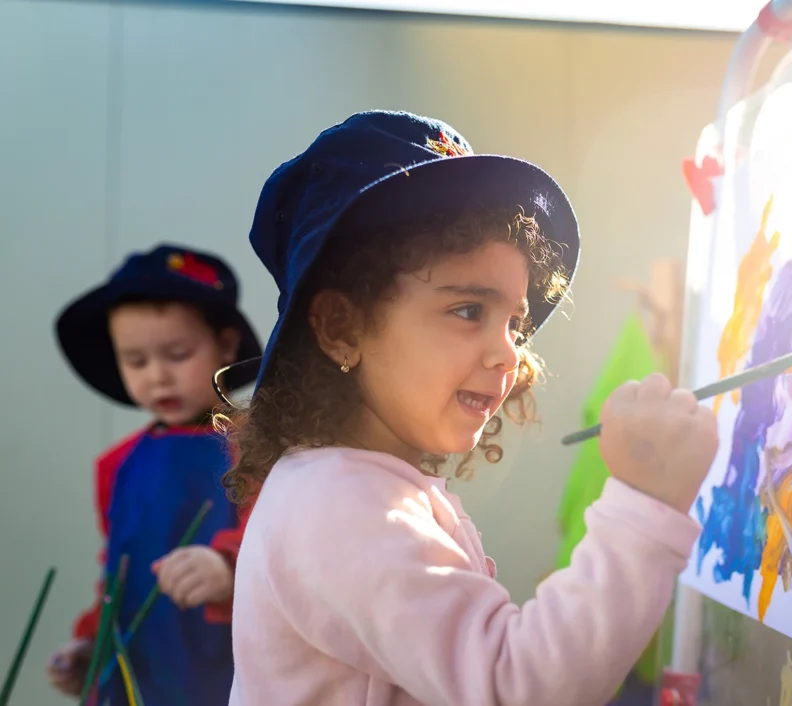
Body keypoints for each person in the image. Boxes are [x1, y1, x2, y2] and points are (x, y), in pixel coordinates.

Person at [221, 110, 719, 705]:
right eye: (468, 311)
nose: (508, 352)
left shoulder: (351, 487)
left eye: (515, 322)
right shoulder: (337, 501)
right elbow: (515, 687)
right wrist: (646, 505)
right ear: (340, 328)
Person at [47, 244, 262, 706]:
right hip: (136, 672)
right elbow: (117, 569)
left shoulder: (257, 447)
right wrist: (92, 642)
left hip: (224, 673)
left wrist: (227, 567)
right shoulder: (116, 464)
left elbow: (278, 542)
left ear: (226, 346)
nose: (158, 377)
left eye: (177, 354)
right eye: (137, 361)